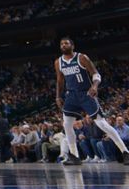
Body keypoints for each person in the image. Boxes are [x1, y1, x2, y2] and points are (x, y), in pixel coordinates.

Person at [55, 36, 129, 166]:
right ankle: (74, 156)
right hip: (71, 95)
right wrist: (58, 96)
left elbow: (96, 74)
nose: (63, 45)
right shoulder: (58, 62)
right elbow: (60, 81)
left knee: (102, 124)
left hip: (86, 93)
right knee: (67, 125)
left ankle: (125, 152)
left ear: (73, 46)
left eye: (66, 43)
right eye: (61, 44)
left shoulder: (82, 57)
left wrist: (94, 86)